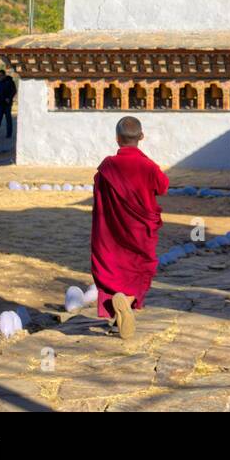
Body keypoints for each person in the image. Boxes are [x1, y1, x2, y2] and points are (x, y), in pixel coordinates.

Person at [90, 116, 170, 340]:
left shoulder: (107, 167)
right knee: (139, 268)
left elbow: (98, 192)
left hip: (111, 232)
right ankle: (127, 301)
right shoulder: (148, 166)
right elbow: (163, 187)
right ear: (141, 137)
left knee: (112, 268)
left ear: (117, 138)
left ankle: (117, 316)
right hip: (139, 231)